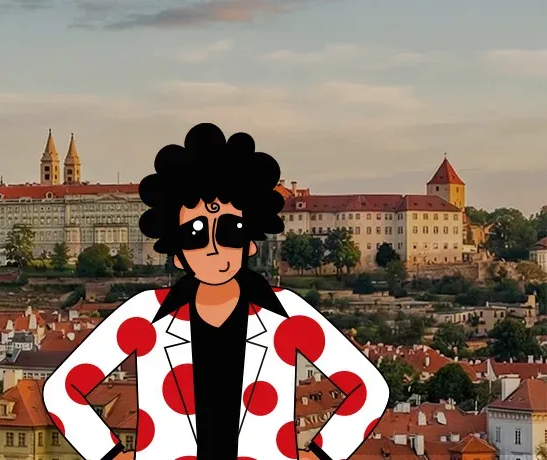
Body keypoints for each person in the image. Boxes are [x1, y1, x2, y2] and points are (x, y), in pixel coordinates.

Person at [41, 123, 386, 460]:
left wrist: (321, 454)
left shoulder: (286, 312)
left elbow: (369, 389)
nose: (213, 247)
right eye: (194, 234)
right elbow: (62, 392)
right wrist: (112, 454)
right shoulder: (145, 314)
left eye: (230, 231)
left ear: (250, 243)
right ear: (176, 252)